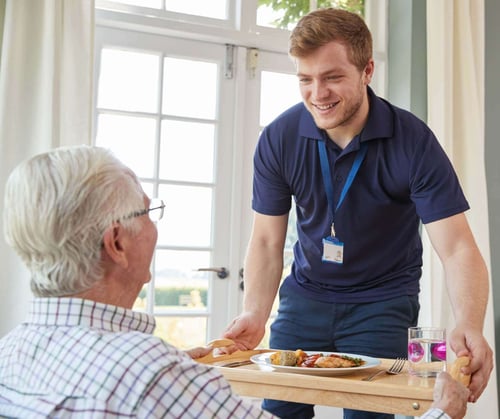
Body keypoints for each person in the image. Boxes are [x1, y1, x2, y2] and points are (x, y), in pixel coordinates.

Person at [222, 7, 493, 419]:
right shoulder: (279, 138)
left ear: (367, 70)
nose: (318, 93)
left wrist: (470, 323)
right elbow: (265, 239)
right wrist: (255, 312)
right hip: (305, 297)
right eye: (306, 80)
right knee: (279, 409)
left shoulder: (413, 140)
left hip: (382, 301)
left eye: (332, 77)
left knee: (369, 414)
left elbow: (457, 247)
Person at [0, 145, 274, 418]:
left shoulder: (9, 351)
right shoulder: (149, 372)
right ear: (117, 242)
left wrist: (174, 374)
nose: (153, 226)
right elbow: (137, 377)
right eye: (147, 212)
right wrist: (168, 375)